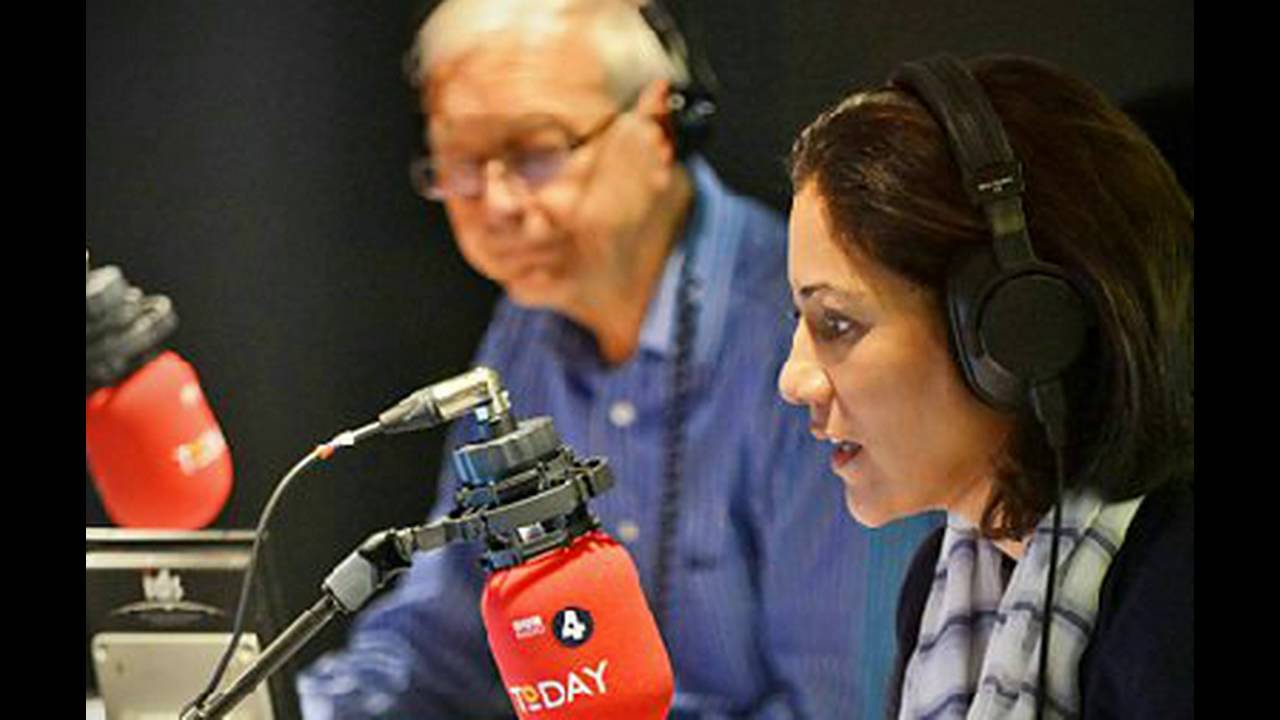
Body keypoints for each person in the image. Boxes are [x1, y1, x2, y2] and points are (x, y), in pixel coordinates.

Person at [296, 1, 938, 717]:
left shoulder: (808, 347)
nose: (496, 202)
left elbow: (841, 704)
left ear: (660, 126)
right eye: (461, 162)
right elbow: (440, 642)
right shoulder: (524, 332)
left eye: (535, 151)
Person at [777, 54, 1193, 719]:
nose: (793, 379)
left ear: (1016, 327)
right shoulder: (939, 586)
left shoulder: (1168, 602)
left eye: (837, 322)